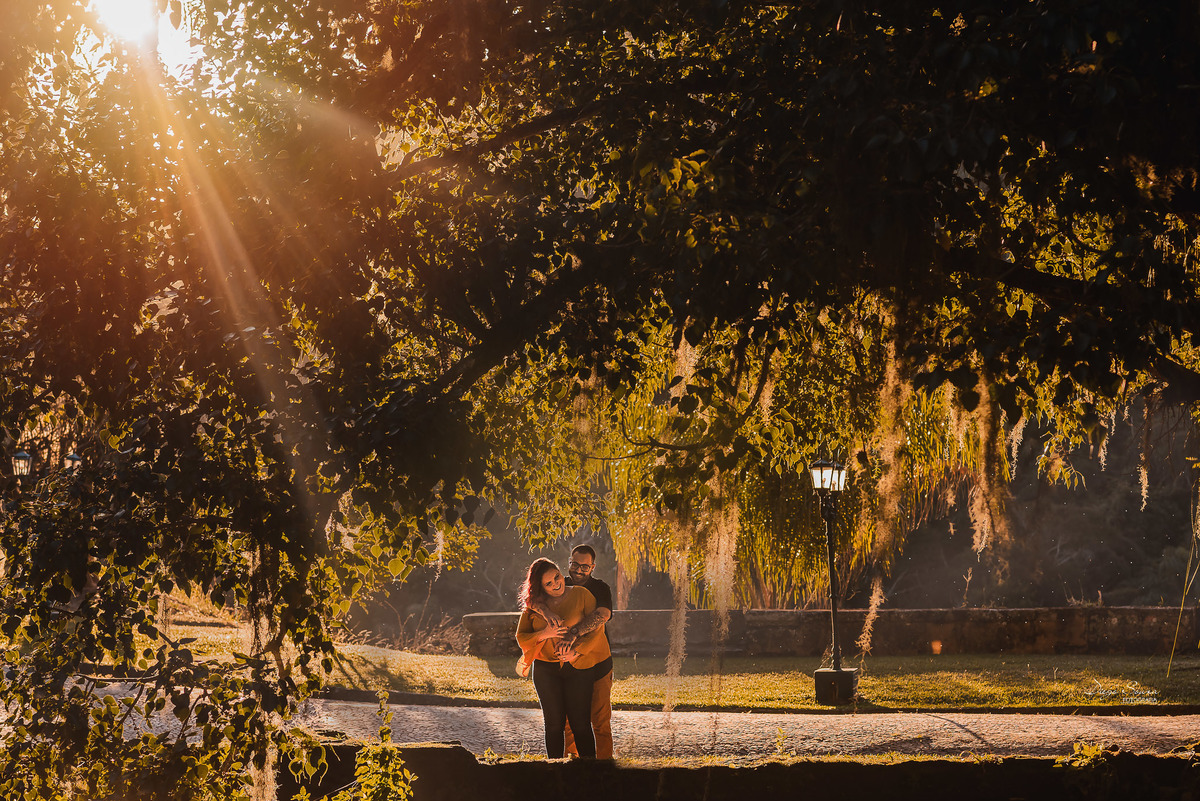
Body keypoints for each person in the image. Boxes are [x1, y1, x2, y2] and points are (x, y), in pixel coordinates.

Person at [515, 558, 610, 759]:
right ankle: (555, 769)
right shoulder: (535, 606)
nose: (556, 584)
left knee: (580, 724)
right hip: (545, 671)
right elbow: (521, 637)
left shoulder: (582, 594)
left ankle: (590, 771)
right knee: (553, 724)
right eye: (548, 583)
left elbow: (597, 631)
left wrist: (576, 652)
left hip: (579, 668)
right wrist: (545, 634)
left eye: (557, 577)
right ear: (540, 587)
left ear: (560, 572)